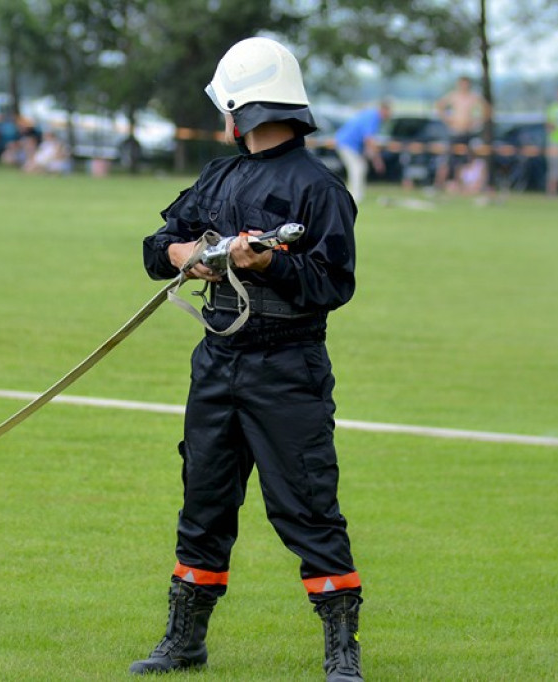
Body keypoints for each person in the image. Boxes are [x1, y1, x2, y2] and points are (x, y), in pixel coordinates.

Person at [136, 37, 363, 682]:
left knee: (307, 504)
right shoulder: (219, 177)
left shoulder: (320, 189)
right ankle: (185, 641)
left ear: (241, 109)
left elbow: (334, 285)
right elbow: (157, 247)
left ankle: (342, 652)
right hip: (217, 362)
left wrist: (271, 263)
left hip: (288, 369)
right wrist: (193, 255)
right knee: (203, 499)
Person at [434, 75, 489, 191]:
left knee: (466, 161)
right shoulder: (453, 96)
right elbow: (439, 106)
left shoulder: (473, 97)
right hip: (455, 132)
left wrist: (477, 122)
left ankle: (463, 186)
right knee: (447, 159)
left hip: (468, 132)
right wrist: (447, 119)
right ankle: (439, 185)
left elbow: (487, 110)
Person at [334, 100, 390, 204]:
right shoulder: (373, 117)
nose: (389, 116)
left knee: (361, 167)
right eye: (388, 112)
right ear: (383, 110)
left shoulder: (371, 115)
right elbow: (369, 140)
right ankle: (354, 197)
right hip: (346, 143)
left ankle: (357, 195)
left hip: (349, 144)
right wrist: (377, 160)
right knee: (357, 168)